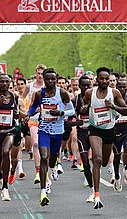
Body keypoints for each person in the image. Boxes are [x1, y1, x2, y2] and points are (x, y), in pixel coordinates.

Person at [26, 68, 75, 206]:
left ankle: (53, 167)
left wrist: (60, 113)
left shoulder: (62, 93)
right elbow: (32, 107)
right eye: (48, 79)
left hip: (58, 131)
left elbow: (71, 110)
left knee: (52, 158)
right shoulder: (39, 94)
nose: (50, 81)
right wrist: (29, 115)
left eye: (53, 79)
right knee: (43, 156)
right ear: (44, 80)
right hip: (44, 129)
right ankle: (43, 191)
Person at [81, 67, 127, 209]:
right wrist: (84, 108)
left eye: (107, 78)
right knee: (98, 159)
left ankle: (104, 176)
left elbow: (125, 110)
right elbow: (84, 104)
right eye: (102, 78)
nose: (105, 81)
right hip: (95, 129)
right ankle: (97, 195)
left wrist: (113, 107)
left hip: (109, 130)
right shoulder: (90, 92)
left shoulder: (114, 92)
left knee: (105, 162)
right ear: (96, 79)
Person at [72, 75, 95, 202]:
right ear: (79, 86)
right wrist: (77, 121)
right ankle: (92, 189)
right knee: (85, 161)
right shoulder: (76, 100)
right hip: (82, 134)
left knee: (97, 160)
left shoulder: (96, 98)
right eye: (84, 85)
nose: (86, 87)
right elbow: (71, 119)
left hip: (95, 132)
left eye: (88, 85)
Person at [23, 64, 46, 184]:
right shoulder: (30, 86)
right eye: (38, 73)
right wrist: (25, 111)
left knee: (47, 147)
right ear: (35, 73)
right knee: (36, 144)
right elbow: (21, 99)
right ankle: (38, 171)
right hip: (34, 119)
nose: (40, 76)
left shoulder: (49, 86)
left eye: (42, 74)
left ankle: (51, 166)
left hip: (47, 119)